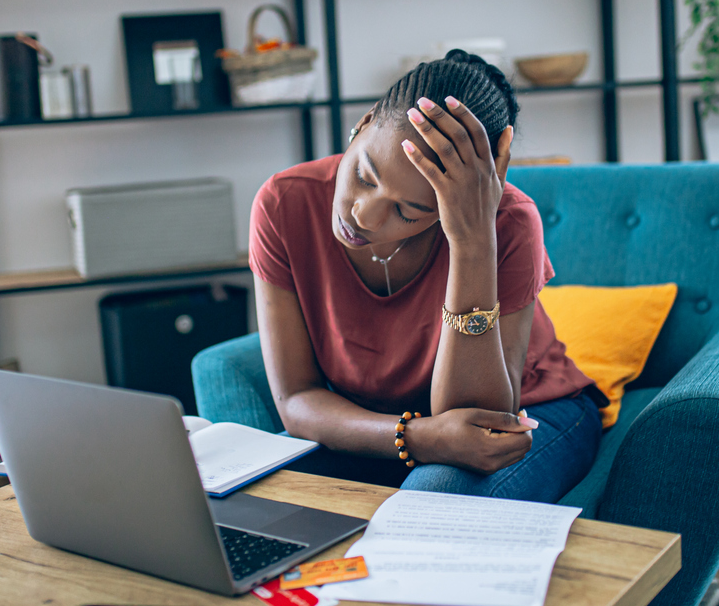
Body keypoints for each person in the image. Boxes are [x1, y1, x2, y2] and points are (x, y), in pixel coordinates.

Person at [249, 50, 607, 503]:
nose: (364, 215)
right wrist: (417, 437)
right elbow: (297, 399)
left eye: (408, 211)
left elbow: (477, 417)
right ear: (363, 123)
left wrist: (472, 240)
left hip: (529, 414)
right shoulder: (283, 204)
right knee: (262, 493)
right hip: (392, 424)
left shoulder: (508, 223)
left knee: (440, 494)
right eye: (364, 174)